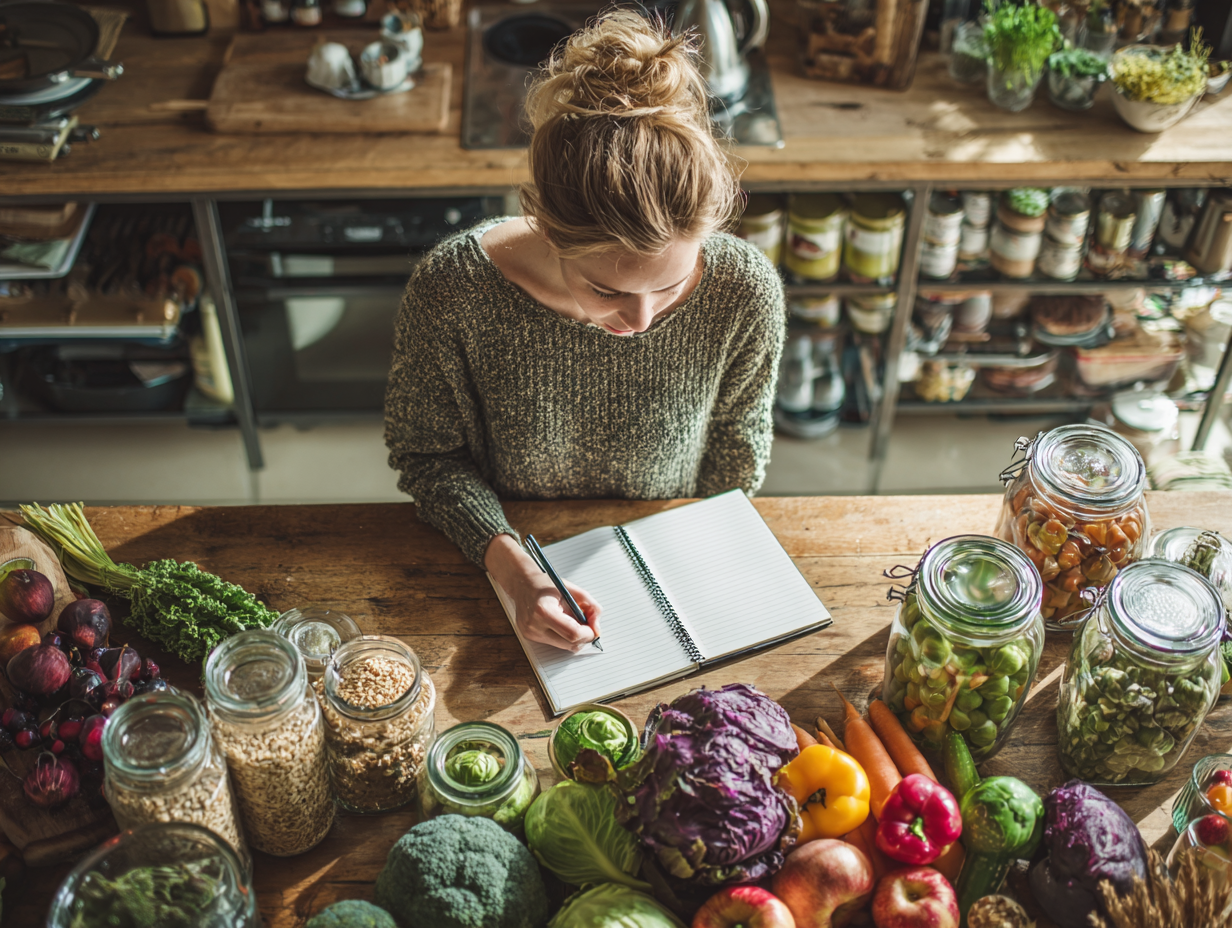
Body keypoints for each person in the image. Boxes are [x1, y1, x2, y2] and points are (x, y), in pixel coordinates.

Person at [384, 11, 785, 652]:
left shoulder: (745, 292)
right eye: (609, 290)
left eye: (671, 287)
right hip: (504, 559)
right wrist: (511, 570)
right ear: (544, 223)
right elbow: (427, 457)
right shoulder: (452, 292)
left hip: (670, 557)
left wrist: (691, 563)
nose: (643, 320)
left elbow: (737, 453)